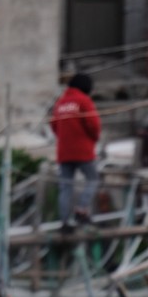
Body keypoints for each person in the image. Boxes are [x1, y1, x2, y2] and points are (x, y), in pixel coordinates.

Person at [49, 72, 102, 232]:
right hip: (83, 151)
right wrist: (93, 139)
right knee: (93, 179)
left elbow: (53, 126)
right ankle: (82, 209)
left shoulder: (60, 103)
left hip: (64, 152)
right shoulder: (83, 101)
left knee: (65, 187)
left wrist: (65, 139)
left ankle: (65, 222)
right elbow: (94, 126)